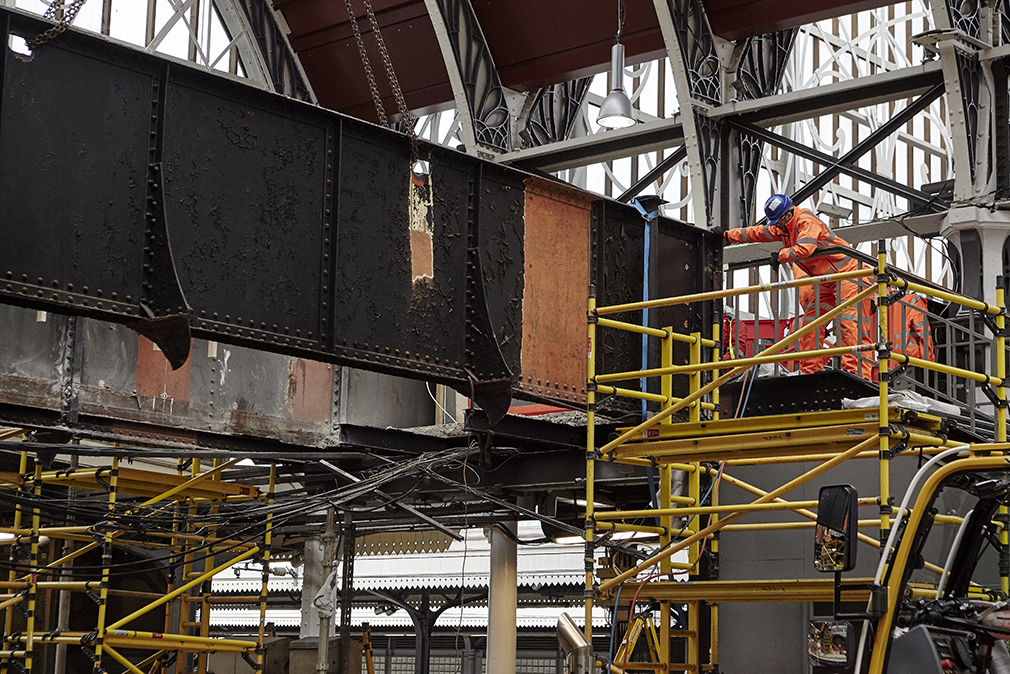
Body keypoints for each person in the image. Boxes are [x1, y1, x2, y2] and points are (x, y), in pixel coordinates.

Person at [722, 194, 873, 376]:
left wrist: (780, 255)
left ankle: (857, 375)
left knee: (850, 324)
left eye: (777, 221)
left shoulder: (806, 221)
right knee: (810, 326)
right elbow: (756, 232)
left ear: (787, 215)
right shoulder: (785, 228)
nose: (775, 226)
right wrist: (727, 236)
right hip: (828, 282)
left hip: (851, 276)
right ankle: (810, 373)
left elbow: (804, 249)